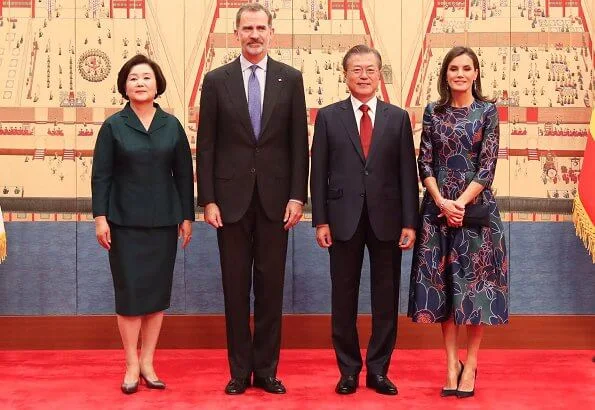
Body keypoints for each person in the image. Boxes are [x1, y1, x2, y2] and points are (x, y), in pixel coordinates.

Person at [197, 3, 308, 395]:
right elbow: (206, 146)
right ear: (236, 33)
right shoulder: (216, 80)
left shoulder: (290, 79)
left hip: (277, 202)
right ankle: (239, 372)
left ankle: (267, 370)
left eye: (261, 27)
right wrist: (206, 199)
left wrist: (298, 196)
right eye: (248, 28)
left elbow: (299, 144)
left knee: (270, 286)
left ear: (271, 32)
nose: (255, 34)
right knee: (234, 287)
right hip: (228, 203)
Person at [310, 44, 419, 396]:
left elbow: (407, 172)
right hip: (342, 220)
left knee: (385, 298)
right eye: (356, 69)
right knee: (343, 298)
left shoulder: (397, 117)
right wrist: (320, 221)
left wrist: (410, 222)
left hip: (388, 220)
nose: (364, 75)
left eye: (370, 69)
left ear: (379, 74)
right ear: (345, 76)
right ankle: (348, 370)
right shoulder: (328, 116)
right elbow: (319, 171)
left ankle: (378, 370)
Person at [408, 46, 509, 399]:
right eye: (454, 68)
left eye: (467, 68)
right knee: (445, 290)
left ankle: (472, 362)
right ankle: (451, 364)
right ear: (445, 74)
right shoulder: (433, 112)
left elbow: (487, 166)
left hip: (476, 213)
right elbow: (425, 163)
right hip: (437, 211)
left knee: (474, 292)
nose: (460, 74)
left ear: (476, 73)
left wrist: (460, 204)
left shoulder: (487, 112)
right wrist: (441, 202)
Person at [91, 54, 194, 394]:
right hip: (123, 223)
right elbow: (101, 175)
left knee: (155, 295)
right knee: (131, 295)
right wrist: (100, 218)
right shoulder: (113, 126)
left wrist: (186, 217)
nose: (140, 83)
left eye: (146, 77)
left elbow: (183, 175)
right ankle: (131, 363)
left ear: (157, 84)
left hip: (164, 223)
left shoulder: (172, 125)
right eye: (133, 78)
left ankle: (149, 361)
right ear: (124, 85)